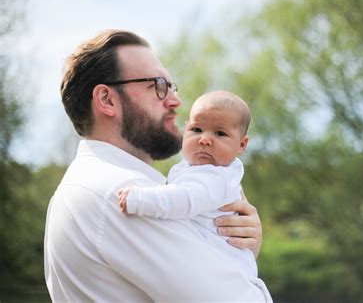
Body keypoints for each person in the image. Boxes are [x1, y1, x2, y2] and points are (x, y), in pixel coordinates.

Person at [44, 30, 266, 302]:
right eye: (158, 85)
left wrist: (232, 247)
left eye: (172, 87)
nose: (175, 100)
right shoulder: (124, 193)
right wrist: (242, 263)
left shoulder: (86, 185)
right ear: (106, 100)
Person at [118, 90, 272, 301]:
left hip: (225, 281)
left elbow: (183, 199)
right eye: (196, 129)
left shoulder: (213, 177)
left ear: (242, 145)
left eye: (220, 133)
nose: (205, 140)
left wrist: (139, 199)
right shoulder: (196, 170)